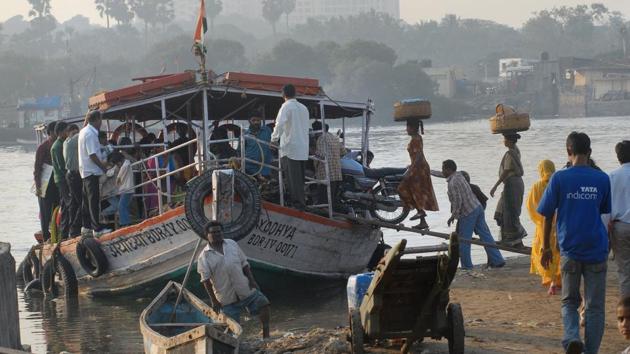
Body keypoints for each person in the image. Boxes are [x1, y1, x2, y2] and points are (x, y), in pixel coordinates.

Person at [538, 132, 611, 354]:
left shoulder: (559, 178)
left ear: (568, 151)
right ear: (589, 152)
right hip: (596, 248)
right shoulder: (602, 178)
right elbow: (603, 212)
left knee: (569, 301)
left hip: (570, 248)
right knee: (595, 307)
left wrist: (546, 247)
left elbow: (546, 215)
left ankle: (571, 337)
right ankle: (590, 351)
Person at [197, 221, 271, 338]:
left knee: (264, 304)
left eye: (219, 231)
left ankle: (266, 336)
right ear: (207, 235)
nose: (217, 234)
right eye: (213, 232)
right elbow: (205, 281)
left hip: (244, 288)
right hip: (226, 298)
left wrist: (252, 280)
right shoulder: (204, 257)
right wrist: (214, 301)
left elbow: (244, 264)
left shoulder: (231, 244)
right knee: (233, 331)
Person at [442, 159, 505, 270]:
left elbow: (458, 201)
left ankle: (467, 266)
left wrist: (453, 216)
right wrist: (429, 171)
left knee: (464, 240)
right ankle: (498, 260)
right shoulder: (459, 175)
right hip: (478, 207)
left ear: (448, 170)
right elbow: (440, 174)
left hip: (468, 213)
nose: (442, 172)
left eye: (443, 169)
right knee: (486, 236)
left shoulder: (452, 183)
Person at [271, 84, 310, 210]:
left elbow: (280, 124)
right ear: (296, 94)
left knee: (292, 180)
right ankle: (302, 202)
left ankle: (298, 205)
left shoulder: (286, 106)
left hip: (290, 148)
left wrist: (273, 139)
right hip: (303, 148)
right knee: (300, 179)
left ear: (283, 94)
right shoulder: (304, 108)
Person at [526, 159, 562, 295]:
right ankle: (558, 280)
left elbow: (531, 206)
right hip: (559, 223)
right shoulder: (558, 183)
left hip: (543, 225)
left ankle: (552, 281)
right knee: (558, 252)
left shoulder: (537, 186)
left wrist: (539, 220)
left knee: (545, 251)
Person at [397, 119, 439, 229]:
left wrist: (411, 169)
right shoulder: (416, 138)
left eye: (408, 127)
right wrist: (410, 166)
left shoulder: (416, 140)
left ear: (413, 128)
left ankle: (419, 211)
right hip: (419, 167)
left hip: (419, 169)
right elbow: (416, 156)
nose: (406, 129)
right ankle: (422, 221)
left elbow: (419, 156)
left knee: (402, 188)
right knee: (416, 192)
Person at [490, 133, 527, 247]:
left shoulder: (510, 154)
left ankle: (515, 241)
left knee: (509, 212)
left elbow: (506, 171)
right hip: (518, 183)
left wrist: (495, 186)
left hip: (512, 184)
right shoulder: (516, 150)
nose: (503, 141)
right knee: (510, 211)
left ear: (510, 141)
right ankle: (515, 241)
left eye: (505, 139)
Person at [78, 110, 112, 237]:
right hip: (91, 171)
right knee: (93, 201)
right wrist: (103, 167)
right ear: (96, 119)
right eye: (100, 120)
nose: (101, 123)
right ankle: (96, 229)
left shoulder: (83, 131)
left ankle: (86, 227)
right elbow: (92, 154)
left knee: (86, 201)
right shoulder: (91, 134)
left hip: (85, 171)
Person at [606, 140, 630, 298]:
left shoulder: (611, 177)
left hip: (620, 227)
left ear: (618, 157)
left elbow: (606, 207)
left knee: (625, 270)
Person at [34, 121, 59, 242]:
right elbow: (37, 168)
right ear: (50, 133)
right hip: (45, 181)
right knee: (45, 212)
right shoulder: (43, 147)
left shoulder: (60, 144)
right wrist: (38, 186)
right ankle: (45, 236)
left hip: (56, 181)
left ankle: (57, 233)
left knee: (58, 207)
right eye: (56, 131)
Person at [312, 121, 343, 207]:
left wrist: (313, 154)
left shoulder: (321, 138)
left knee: (324, 201)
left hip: (326, 174)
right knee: (332, 199)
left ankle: (323, 215)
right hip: (337, 173)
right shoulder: (334, 137)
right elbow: (343, 151)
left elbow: (320, 155)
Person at [50, 121, 70, 239]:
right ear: (61, 132)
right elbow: (61, 165)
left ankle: (63, 232)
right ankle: (65, 232)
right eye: (66, 131)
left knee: (64, 204)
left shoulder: (62, 143)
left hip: (62, 178)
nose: (67, 133)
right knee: (68, 203)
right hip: (62, 179)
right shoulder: (57, 146)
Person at [63, 124, 82, 236]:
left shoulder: (67, 142)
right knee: (82, 202)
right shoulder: (70, 142)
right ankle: (75, 228)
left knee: (74, 204)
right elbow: (81, 134)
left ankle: (73, 230)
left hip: (71, 175)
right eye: (73, 133)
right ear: (69, 133)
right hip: (74, 175)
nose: (75, 135)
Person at [107, 151, 134, 227]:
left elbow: (119, 177)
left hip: (127, 189)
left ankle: (125, 223)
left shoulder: (126, 164)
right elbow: (110, 173)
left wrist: (117, 178)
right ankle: (126, 223)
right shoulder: (123, 164)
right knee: (124, 206)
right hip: (125, 190)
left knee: (121, 206)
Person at [242, 114, 273, 178]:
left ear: (261, 120)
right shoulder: (244, 135)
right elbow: (240, 151)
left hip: (265, 167)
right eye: (253, 120)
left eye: (258, 120)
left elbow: (274, 142)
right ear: (249, 121)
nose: (256, 122)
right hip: (249, 168)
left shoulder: (267, 131)